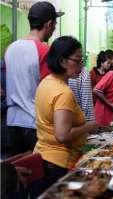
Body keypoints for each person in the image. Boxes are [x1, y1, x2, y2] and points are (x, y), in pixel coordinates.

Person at [34, 36, 98, 196]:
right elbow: (62, 135)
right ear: (62, 62)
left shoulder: (46, 82)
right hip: (58, 162)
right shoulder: (63, 93)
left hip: (43, 155)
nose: (81, 65)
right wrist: (89, 126)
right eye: (77, 60)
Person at [4, 1, 64, 156]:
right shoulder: (45, 51)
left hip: (11, 122)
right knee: (40, 174)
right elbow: (51, 90)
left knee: (19, 172)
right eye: (55, 23)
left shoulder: (10, 49)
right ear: (49, 24)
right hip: (35, 123)